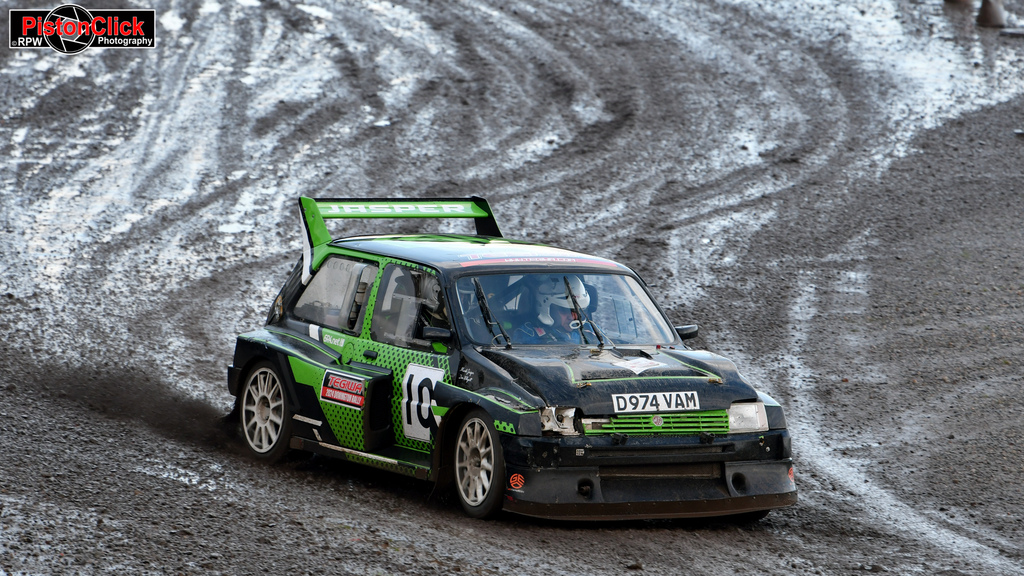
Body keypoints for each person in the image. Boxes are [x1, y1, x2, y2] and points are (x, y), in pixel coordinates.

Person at [515, 275, 590, 344]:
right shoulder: (529, 333)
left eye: (578, 311)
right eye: (564, 310)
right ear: (546, 307)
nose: (573, 317)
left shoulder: (591, 330)